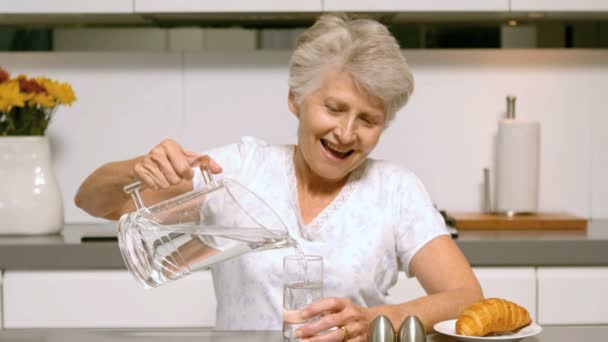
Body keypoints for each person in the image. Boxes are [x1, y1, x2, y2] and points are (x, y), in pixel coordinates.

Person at [75, 13, 483, 341]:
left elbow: (467, 298)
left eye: (368, 120)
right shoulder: (239, 169)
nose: (346, 133)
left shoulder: (395, 190)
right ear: (296, 100)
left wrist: (376, 319)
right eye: (335, 108)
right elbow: (96, 202)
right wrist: (137, 168)